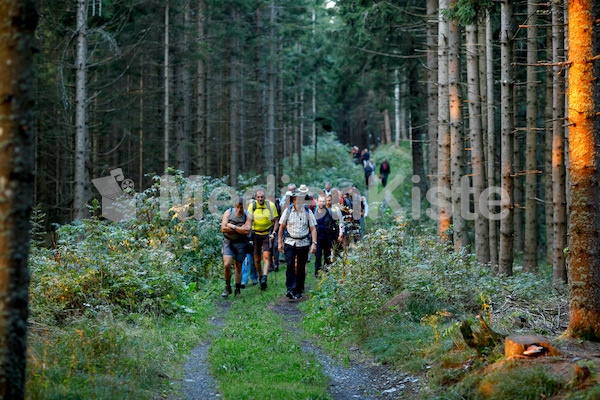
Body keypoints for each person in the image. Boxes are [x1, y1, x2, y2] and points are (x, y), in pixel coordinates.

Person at [278, 187, 317, 299]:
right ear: (293, 200)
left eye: (300, 200)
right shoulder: (288, 211)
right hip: (290, 242)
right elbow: (281, 228)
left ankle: (298, 289)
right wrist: (279, 242)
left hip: (303, 243)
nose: (298, 202)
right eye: (296, 200)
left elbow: (313, 229)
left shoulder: (308, 212)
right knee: (290, 265)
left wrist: (314, 243)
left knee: (300, 267)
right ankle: (290, 289)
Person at [248, 189, 279, 291]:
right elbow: (248, 220)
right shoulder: (252, 206)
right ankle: (260, 276)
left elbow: (276, 221)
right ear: (256, 198)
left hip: (267, 234)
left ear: (265, 197)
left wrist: (273, 233)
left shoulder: (271, 206)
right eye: (258, 197)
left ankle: (264, 278)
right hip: (255, 234)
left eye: (262, 197)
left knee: (267, 256)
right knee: (256, 259)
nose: (260, 199)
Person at [220, 197, 252, 298]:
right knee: (227, 264)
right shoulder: (228, 212)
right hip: (228, 242)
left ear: (245, 207)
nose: (239, 209)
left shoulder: (248, 215)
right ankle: (227, 286)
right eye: (237, 207)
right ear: (234, 206)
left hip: (241, 243)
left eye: (241, 207)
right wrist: (239, 229)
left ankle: (237, 289)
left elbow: (247, 231)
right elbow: (223, 229)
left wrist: (232, 226)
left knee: (238, 266)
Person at [314, 195, 334, 277]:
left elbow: (334, 225)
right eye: (320, 201)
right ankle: (317, 274)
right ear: (317, 202)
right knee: (318, 257)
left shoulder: (329, 213)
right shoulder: (314, 213)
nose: (321, 203)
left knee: (327, 257)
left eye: (323, 201)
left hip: (327, 238)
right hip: (318, 239)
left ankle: (327, 273)